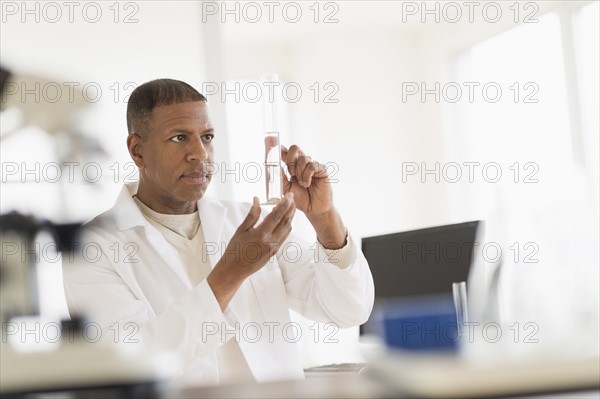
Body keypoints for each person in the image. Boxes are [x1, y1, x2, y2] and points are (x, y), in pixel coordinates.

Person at [63, 78, 374, 386]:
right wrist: (232, 272)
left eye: (207, 136)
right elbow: (131, 362)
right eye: (179, 138)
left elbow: (349, 310)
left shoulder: (249, 223)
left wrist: (324, 218)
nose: (200, 153)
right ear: (137, 150)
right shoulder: (93, 247)